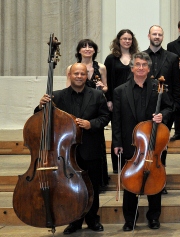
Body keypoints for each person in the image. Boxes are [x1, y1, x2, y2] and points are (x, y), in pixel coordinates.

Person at [38, 63, 110, 234]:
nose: (79, 76)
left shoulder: (98, 95)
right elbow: (42, 118)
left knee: (92, 187)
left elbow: (106, 117)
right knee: (70, 188)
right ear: (69, 75)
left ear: (87, 76)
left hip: (91, 149)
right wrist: (41, 106)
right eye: (76, 73)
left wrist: (90, 124)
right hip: (66, 152)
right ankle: (74, 222)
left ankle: (93, 220)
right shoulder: (56, 96)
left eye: (82, 74)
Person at [112, 52, 172, 231]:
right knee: (131, 182)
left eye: (144, 65)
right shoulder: (119, 91)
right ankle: (130, 219)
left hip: (153, 144)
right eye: (137, 64)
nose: (140, 68)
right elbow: (116, 119)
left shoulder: (158, 87)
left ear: (149, 68)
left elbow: (171, 107)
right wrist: (117, 142)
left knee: (155, 181)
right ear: (131, 68)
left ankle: (154, 217)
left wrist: (164, 116)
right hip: (131, 144)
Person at [65, 39, 110, 188]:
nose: (87, 49)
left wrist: (101, 88)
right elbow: (67, 89)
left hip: (94, 108)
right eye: (84, 46)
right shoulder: (72, 68)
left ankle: (98, 181)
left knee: (96, 145)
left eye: (90, 46)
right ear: (79, 50)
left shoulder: (101, 67)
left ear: (94, 50)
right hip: (77, 107)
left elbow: (106, 89)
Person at [144, 25, 180, 180]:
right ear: (149, 36)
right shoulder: (141, 56)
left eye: (159, 34)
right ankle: (144, 172)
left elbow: (176, 84)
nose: (157, 37)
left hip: (166, 107)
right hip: (145, 105)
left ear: (163, 37)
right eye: (154, 34)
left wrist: (175, 104)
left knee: (162, 144)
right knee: (145, 141)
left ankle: (160, 175)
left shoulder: (172, 57)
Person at [104, 29, 139, 174]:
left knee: (134, 131)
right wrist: (109, 100)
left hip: (134, 101)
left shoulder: (136, 57)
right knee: (118, 132)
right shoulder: (111, 59)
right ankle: (118, 167)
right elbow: (108, 81)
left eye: (129, 39)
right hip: (116, 101)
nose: (127, 41)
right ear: (118, 40)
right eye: (124, 38)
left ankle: (135, 162)